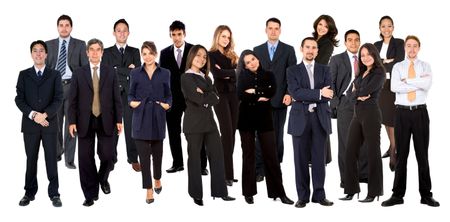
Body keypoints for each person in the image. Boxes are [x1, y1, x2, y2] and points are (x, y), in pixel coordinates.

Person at [382, 35, 439, 207]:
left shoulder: (425, 66)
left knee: (422, 155)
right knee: (401, 156)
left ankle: (426, 195)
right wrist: (417, 83)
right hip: (402, 114)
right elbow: (394, 87)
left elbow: (427, 84)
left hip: (420, 113)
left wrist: (408, 81)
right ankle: (397, 195)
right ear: (405, 48)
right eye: (409, 46)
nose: (412, 49)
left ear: (419, 48)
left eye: (415, 46)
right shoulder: (398, 67)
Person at [68, 38, 123, 207]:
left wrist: (119, 119)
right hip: (84, 120)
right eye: (91, 49)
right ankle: (90, 194)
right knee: (85, 158)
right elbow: (73, 100)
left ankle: (102, 178)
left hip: (107, 119)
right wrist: (71, 121)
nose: (94, 52)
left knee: (108, 155)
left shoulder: (110, 71)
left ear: (102, 52)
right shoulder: (78, 72)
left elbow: (116, 98)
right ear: (87, 53)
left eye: (97, 49)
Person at [237, 50, 294, 205]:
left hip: (264, 119)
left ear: (258, 59)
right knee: (248, 156)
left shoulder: (269, 75)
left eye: (253, 59)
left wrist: (254, 91)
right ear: (245, 66)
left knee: (271, 155)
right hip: (246, 119)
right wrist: (261, 94)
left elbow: (272, 91)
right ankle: (248, 192)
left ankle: (279, 193)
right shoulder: (242, 76)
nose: (252, 63)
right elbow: (241, 95)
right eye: (248, 62)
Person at [180, 45, 235, 206]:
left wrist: (204, 94)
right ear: (191, 56)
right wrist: (206, 95)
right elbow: (197, 99)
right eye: (198, 55)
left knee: (218, 156)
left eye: (205, 57)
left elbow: (216, 98)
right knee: (195, 160)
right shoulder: (186, 77)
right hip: (194, 125)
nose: (202, 59)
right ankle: (196, 194)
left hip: (210, 123)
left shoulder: (207, 77)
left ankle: (220, 192)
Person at [287, 37, 334, 208]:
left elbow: (329, 93)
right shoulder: (292, 70)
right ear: (302, 48)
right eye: (307, 47)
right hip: (300, 119)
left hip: (320, 118)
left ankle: (319, 195)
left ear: (317, 51)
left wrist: (315, 94)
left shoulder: (325, 69)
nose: (310, 50)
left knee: (319, 159)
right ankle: (303, 196)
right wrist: (319, 93)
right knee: (300, 160)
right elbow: (296, 93)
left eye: (314, 48)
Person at [15, 40, 63, 207]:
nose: (38, 53)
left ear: (46, 54)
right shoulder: (23, 74)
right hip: (30, 125)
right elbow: (19, 99)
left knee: (51, 159)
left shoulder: (55, 74)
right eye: (35, 51)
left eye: (41, 50)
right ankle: (29, 192)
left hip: (49, 125)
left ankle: (54, 193)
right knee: (31, 160)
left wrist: (45, 115)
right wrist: (34, 115)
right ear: (31, 54)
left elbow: (58, 99)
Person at [160, 20, 207, 175]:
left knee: (195, 130)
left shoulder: (194, 50)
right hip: (172, 98)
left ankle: (201, 165)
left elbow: (203, 69)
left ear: (184, 34)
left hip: (192, 97)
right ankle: (177, 163)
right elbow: (162, 77)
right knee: (173, 131)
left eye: (179, 34)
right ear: (170, 35)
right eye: (173, 34)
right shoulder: (165, 53)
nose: (177, 38)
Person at [340, 43, 385, 203]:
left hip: (371, 114)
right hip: (357, 114)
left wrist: (357, 92)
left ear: (374, 55)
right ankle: (351, 190)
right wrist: (357, 94)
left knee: (373, 152)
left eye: (368, 54)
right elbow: (348, 95)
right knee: (350, 151)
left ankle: (374, 192)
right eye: (362, 55)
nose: (365, 58)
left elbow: (366, 91)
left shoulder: (379, 72)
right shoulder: (360, 74)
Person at [253, 17, 296, 182]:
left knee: (277, 136)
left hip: (280, 101)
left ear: (280, 30)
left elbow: (292, 76)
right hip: (260, 101)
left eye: (276, 28)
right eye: (270, 28)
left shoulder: (288, 50)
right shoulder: (257, 50)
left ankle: (275, 168)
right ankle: (259, 169)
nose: (273, 31)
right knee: (260, 135)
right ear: (266, 30)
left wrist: (289, 93)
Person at [129, 41, 171, 204]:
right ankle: (148, 189)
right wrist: (132, 102)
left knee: (158, 155)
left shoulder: (165, 73)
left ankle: (158, 178)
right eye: (144, 53)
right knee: (144, 159)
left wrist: (167, 104)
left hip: (157, 117)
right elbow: (130, 94)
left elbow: (169, 94)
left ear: (155, 54)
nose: (147, 56)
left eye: (150, 53)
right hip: (140, 117)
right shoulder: (136, 73)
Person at [46, 14, 89, 169]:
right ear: (57, 27)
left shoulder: (80, 44)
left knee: (72, 123)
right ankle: (58, 152)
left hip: (72, 87)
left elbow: (85, 69)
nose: (64, 28)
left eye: (67, 25)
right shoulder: (48, 45)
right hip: (54, 88)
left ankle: (69, 159)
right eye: (61, 25)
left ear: (71, 27)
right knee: (55, 123)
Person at [329, 30, 368, 188]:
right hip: (345, 104)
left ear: (360, 42)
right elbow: (329, 82)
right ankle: (346, 179)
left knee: (364, 140)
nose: (353, 43)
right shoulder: (337, 59)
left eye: (356, 40)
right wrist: (336, 103)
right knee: (346, 143)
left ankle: (363, 175)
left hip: (364, 104)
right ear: (345, 42)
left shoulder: (366, 59)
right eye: (350, 40)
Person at [103, 19, 141, 171]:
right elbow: (106, 73)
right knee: (113, 127)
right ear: (114, 33)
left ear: (129, 33)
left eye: (124, 30)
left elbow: (137, 73)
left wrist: (117, 69)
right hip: (113, 95)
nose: (122, 33)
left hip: (131, 94)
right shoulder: (106, 52)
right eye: (118, 30)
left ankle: (133, 158)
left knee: (132, 126)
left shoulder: (135, 51)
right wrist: (127, 71)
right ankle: (111, 157)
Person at [208, 25, 239, 186]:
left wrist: (230, 75)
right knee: (226, 132)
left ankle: (226, 169)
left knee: (232, 134)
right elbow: (217, 74)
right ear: (217, 37)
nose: (226, 40)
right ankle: (226, 173)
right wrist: (230, 74)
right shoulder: (210, 54)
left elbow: (239, 74)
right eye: (223, 36)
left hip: (235, 96)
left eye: (228, 37)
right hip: (220, 96)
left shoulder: (233, 55)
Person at [374, 15, 405, 171]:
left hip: (392, 85)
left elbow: (399, 62)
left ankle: (393, 149)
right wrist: (385, 61)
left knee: (390, 116)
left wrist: (383, 62)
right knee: (384, 116)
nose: (386, 29)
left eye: (389, 26)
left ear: (393, 27)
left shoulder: (399, 43)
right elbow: (372, 64)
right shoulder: (376, 44)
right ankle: (392, 145)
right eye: (383, 26)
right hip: (379, 84)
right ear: (379, 28)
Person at [312, 14, 339, 164]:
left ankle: (323, 157)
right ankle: (321, 156)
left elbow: (319, 62)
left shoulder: (327, 43)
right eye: (320, 24)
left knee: (321, 119)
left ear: (330, 29)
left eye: (326, 26)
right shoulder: (314, 40)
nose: (322, 28)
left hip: (319, 82)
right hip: (311, 80)